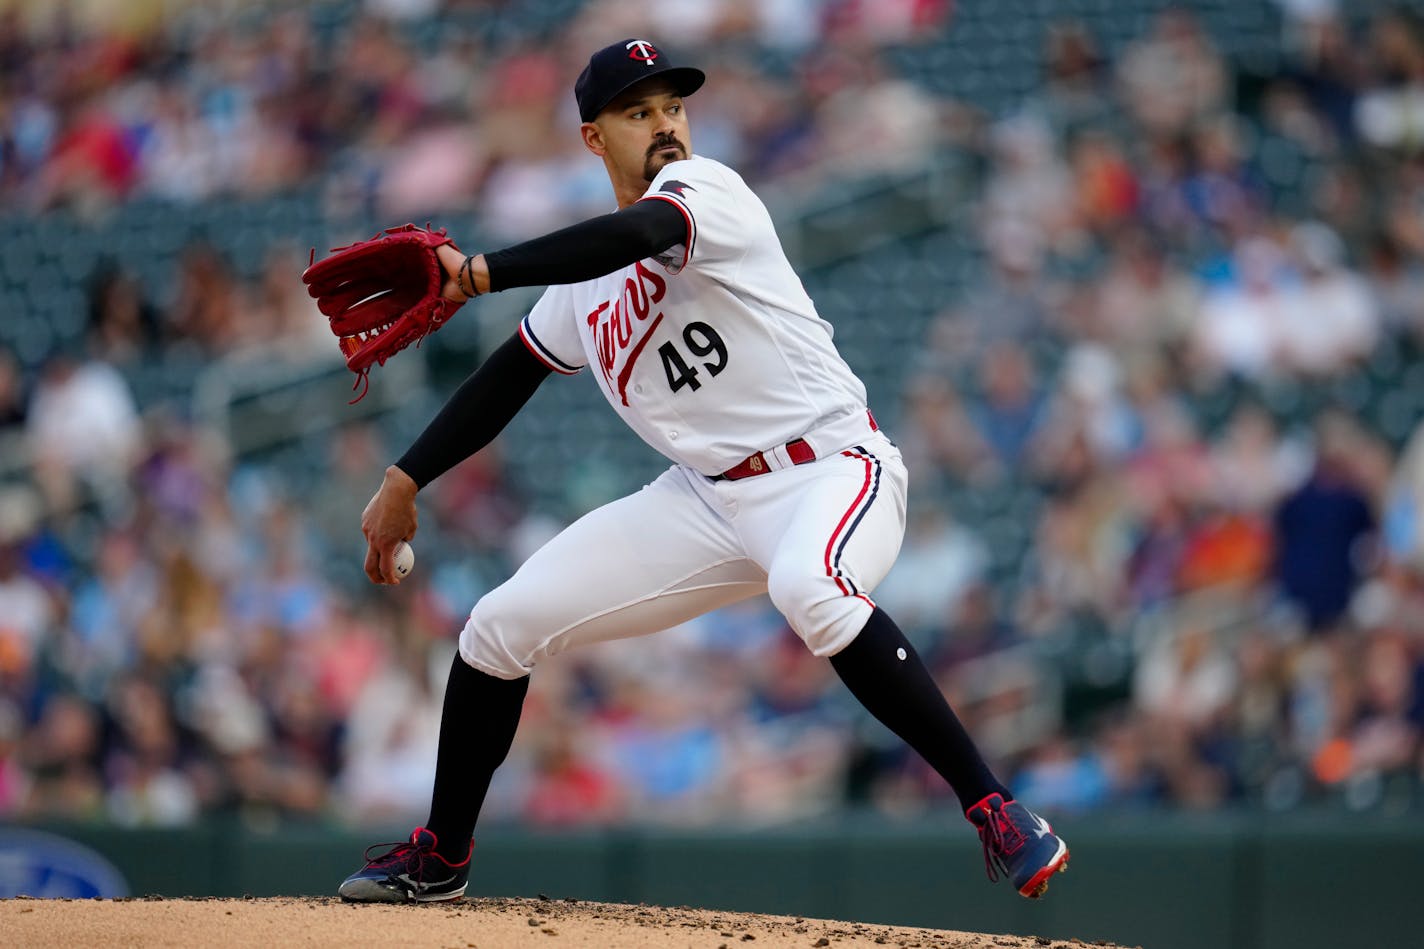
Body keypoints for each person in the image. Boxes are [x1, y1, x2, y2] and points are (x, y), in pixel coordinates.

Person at [337, 38, 1069, 904]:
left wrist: (485, 271)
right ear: (591, 138)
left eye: (673, 108)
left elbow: (640, 231)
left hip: (830, 468)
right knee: (497, 626)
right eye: (638, 113)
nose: (665, 126)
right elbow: (511, 375)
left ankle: (995, 806)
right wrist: (405, 477)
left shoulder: (705, 191)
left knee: (810, 583)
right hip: (707, 499)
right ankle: (441, 857)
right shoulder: (582, 283)